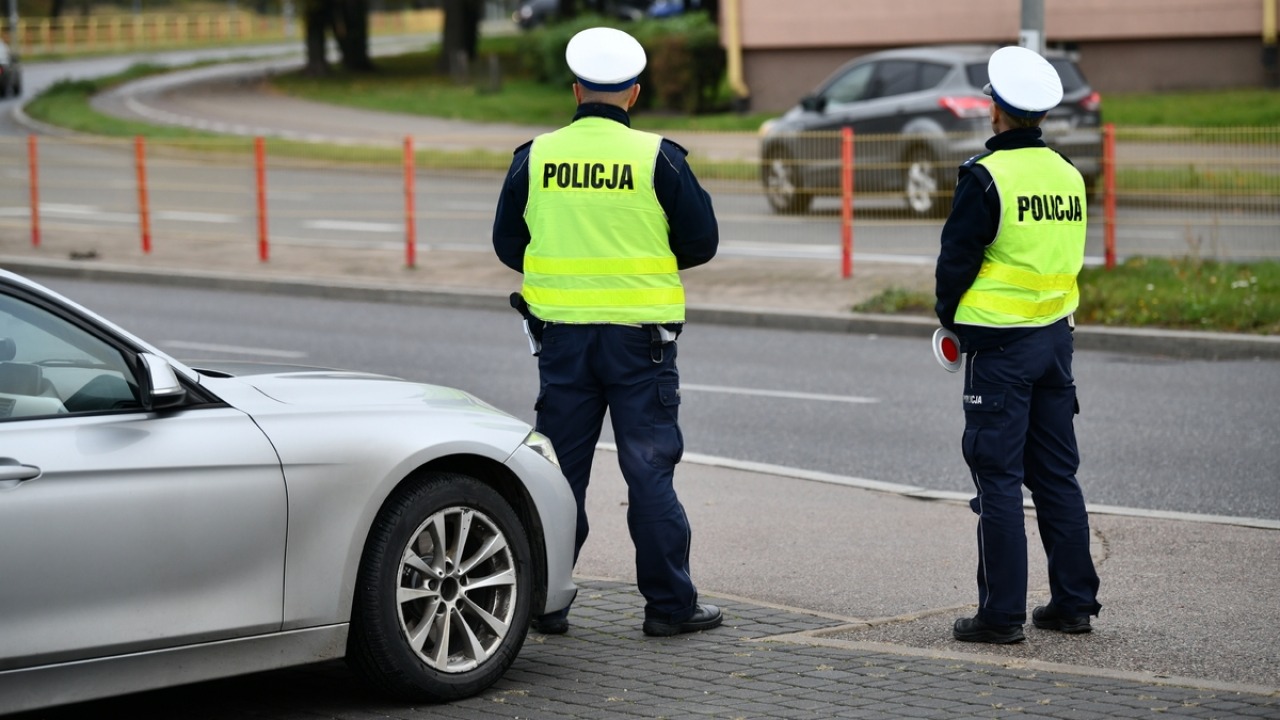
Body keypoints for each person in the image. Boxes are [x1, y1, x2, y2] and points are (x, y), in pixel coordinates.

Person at [492, 26, 721, 637]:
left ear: (575, 91)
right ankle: (669, 608)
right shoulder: (659, 158)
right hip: (641, 345)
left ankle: (542, 604)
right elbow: (702, 242)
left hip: (562, 341)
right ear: (635, 93)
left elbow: (508, 245)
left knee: (557, 476)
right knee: (649, 473)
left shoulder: (535, 157)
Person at [934, 45, 1102, 644]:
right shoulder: (1067, 173)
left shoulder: (985, 176)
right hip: (1056, 342)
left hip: (1000, 350)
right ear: (1043, 113)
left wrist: (951, 319)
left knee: (998, 480)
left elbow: (955, 264)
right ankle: (1073, 605)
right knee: (1056, 476)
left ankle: (1000, 616)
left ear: (995, 109)